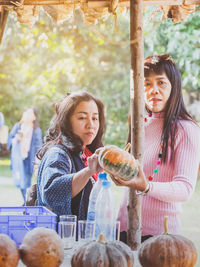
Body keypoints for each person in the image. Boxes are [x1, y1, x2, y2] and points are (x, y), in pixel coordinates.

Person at [111, 54, 200, 243]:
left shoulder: (186, 129)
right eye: (147, 84)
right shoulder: (139, 124)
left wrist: (147, 187)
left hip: (160, 237)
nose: (154, 90)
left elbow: (184, 188)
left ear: (173, 87)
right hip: (124, 231)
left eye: (161, 83)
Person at [36, 91, 106, 219]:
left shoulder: (86, 154)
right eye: (82, 117)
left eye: (95, 118)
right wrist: (88, 171)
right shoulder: (58, 154)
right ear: (66, 122)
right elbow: (51, 193)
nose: (91, 124)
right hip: (62, 237)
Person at [7, 107, 42, 205]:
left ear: (34, 117)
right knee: (20, 183)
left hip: (28, 159)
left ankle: (27, 202)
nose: (27, 115)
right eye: (26, 112)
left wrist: (37, 161)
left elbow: (38, 146)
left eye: (30, 113)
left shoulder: (36, 130)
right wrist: (16, 139)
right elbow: (10, 139)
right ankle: (26, 201)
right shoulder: (18, 126)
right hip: (18, 159)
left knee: (25, 182)